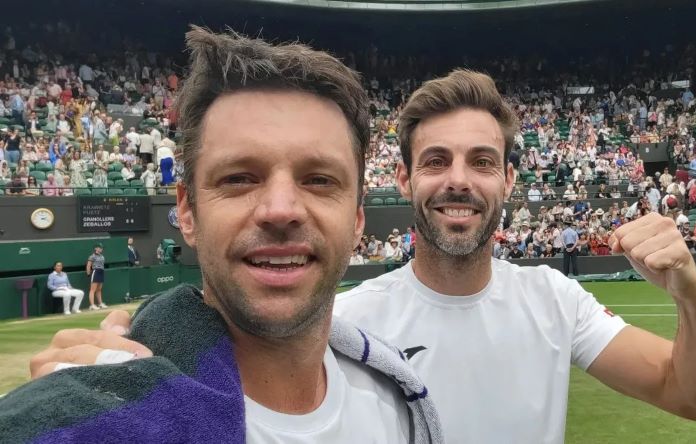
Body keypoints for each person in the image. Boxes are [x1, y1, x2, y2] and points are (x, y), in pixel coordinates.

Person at [25, 60, 696, 444]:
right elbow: (195, 382)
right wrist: (130, 356)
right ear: (402, 180)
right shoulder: (342, 329)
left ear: (510, 179)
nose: (459, 178)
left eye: (482, 160)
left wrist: (692, 297)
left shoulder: (555, 298)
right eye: (438, 160)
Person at [1, 28, 440, 443]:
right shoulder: (96, 419)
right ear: (186, 211)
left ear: (358, 218)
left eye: (319, 180)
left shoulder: (397, 402)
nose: (281, 210)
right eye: (239, 178)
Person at [86, 243, 107, 310]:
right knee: (93, 290)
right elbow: (89, 265)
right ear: (95, 248)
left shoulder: (102, 256)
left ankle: (100, 303)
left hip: (101, 272)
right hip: (95, 271)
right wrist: (88, 273)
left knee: (99, 289)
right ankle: (92, 305)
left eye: (101, 248)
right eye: (99, 248)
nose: (101, 249)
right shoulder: (92, 256)